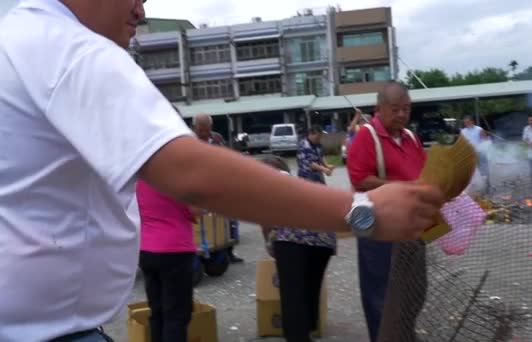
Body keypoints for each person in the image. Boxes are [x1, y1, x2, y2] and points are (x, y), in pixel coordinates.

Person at [0, 1, 444, 341]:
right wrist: (361, 211)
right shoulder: (68, 49)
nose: (142, 9)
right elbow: (191, 174)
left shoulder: (15, 39)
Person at [347, 82, 428, 342]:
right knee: (380, 294)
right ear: (378, 109)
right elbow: (359, 178)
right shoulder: (367, 135)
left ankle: (404, 334)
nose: (402, 115)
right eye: (395, 109)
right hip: (377, 227)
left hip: (411, 226)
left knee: (415, 290)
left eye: (407, 109)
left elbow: (423, 175)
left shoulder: (411, 137)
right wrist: (402, 187)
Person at [260, 155, 334, 342]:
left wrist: (269, 243)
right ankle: (308, 330)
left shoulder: (267, 181)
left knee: (292, 292)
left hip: (292, 237)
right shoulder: (298, 181)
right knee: (310, 286)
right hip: (324, 238)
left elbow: (265, 217)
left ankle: (298, 336)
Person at [137, 178, 202, 342]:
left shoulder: (139, 180)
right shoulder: (175, 180)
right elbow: (196, 209)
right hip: (175, 249)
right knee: (176, 314)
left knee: (156, 311)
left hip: (146, 248)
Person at [192, 113, 244, 263]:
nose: (204, 133)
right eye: (201, 130)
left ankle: (228, 251)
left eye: (207, 130)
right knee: (203, 220)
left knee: (228, 219)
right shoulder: (188, 142)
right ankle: (204, 249)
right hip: (199, 188)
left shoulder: (217, 139)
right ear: (194, 128)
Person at [461, 115, 490, 190]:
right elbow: (461, 143)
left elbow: (486, 141)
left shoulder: (479, 129)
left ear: (472, 121)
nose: (466, 124)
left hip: (480, 152)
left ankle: (486, 185)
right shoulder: (463, 131)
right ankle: (475, 185)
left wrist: (481, 148)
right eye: (465, 123)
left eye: (468, 122)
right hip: (469, 153)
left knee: (483, 168)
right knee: (472, 170)